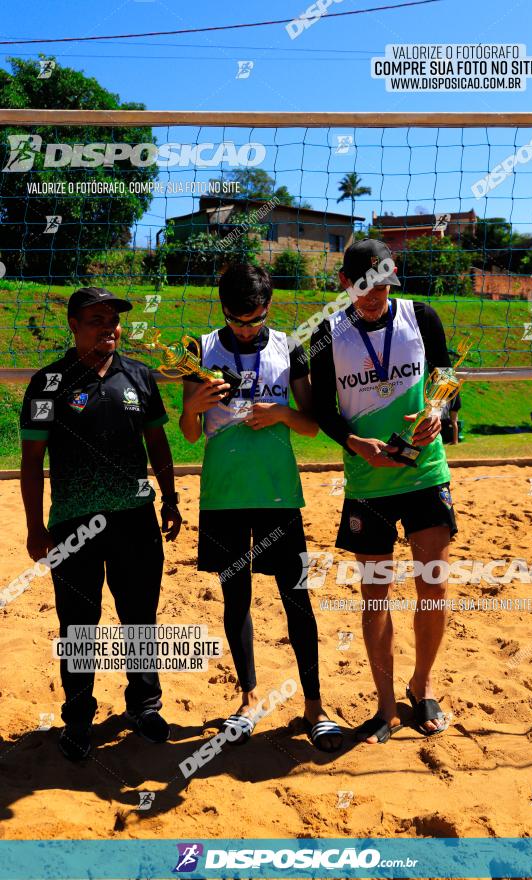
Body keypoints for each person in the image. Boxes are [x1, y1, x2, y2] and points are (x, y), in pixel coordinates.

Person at [179, 264, 342, 752]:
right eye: (237, 320)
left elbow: (311, 426)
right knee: (236, 599)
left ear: (269, 307)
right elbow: (189, 433)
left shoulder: (289, 347)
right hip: (225, 494)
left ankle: (315, 707)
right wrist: (195, 405)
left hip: (278, 493)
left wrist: (282, 413)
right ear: (222, 309)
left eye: (255, 320)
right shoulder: (199, 349)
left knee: (297, 598)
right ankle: (249, 700)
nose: (246, 329)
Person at [20, 287, 182, 761]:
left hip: (136, 519)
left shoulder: (138, 375)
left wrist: (170, 499)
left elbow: (159, 444)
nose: (109, 327)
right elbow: (31, 461)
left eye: (113, 319)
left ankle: (144, 705)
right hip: (73, 524)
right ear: (73, 325)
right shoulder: (49, 383)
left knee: (139, 616)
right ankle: (77, 714)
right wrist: (35, 527)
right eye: (96, 319)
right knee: (78, 624)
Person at [310, 239, 456, 743]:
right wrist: (352, 440)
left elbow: (446, 375)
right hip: (368, 477)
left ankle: (423, 684)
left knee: (432, 584)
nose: (374, 296)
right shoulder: (325, 333)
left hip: (424, 472)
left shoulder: (422, 316)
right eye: (363, 287)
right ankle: (385, 705)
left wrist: (439, 411)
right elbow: (322, 410)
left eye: (383, 286)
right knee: (376, 595)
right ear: (345, 284)